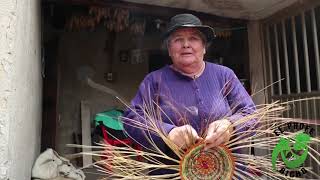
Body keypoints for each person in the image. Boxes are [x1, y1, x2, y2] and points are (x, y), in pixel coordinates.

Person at [123, 13, 255, 156]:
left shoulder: (224, 75)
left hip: (228, 171)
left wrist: (230, 125)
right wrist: (168, 133)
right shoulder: (154, 80)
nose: (186, 44)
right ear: (169, 49)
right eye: (178, 39)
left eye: (193, 38)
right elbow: (131, 120)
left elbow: (251, 114)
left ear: (204, 48)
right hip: (172, 173)